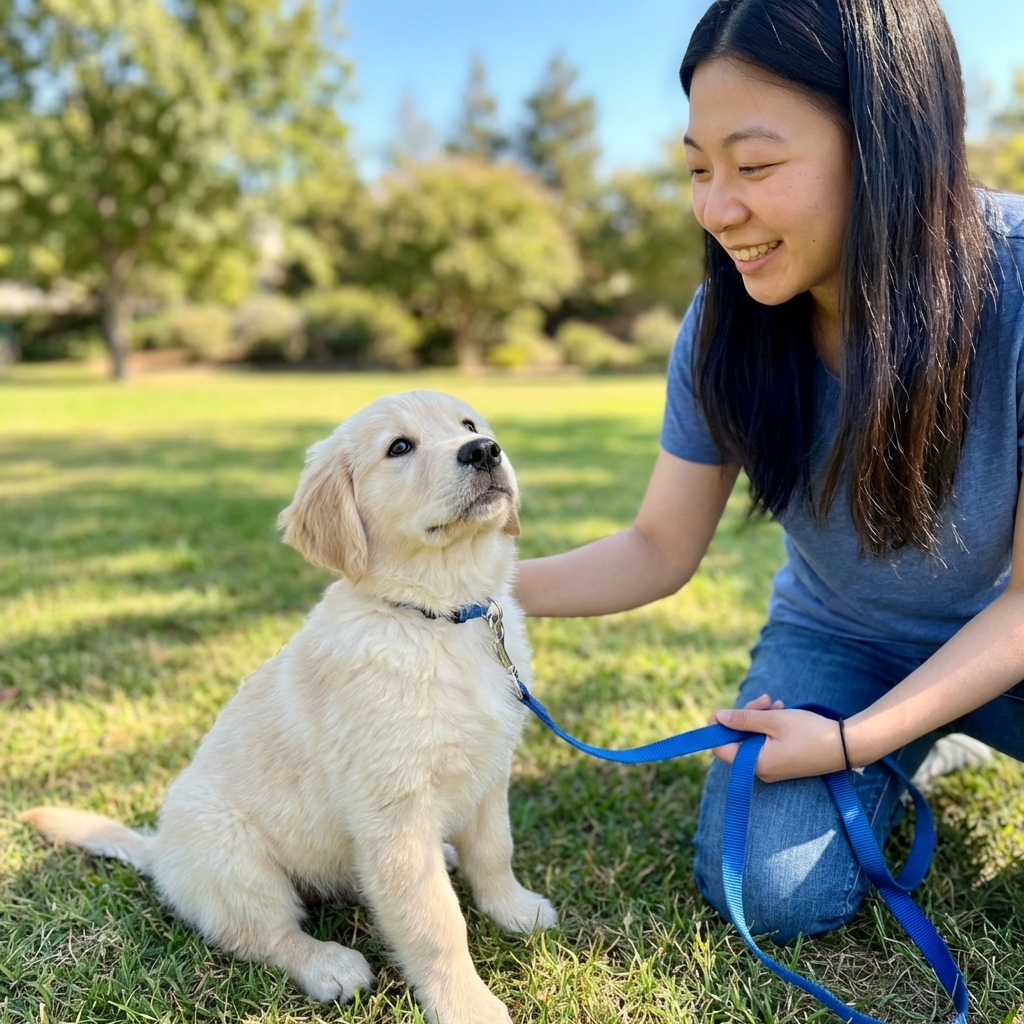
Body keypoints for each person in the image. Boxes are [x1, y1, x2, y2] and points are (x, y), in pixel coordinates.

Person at [514, 0, 1024, 943]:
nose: (716, 209)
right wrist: (467, 591)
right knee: (779, 891)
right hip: (842, 639)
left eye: (753, 166)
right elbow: (657, 547)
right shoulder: (724, 325)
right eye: (699, 169)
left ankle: (916, 733)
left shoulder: (1020, 285)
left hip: (1007, 639)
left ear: (886, 141)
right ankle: (913, 742)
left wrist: (850, 742)